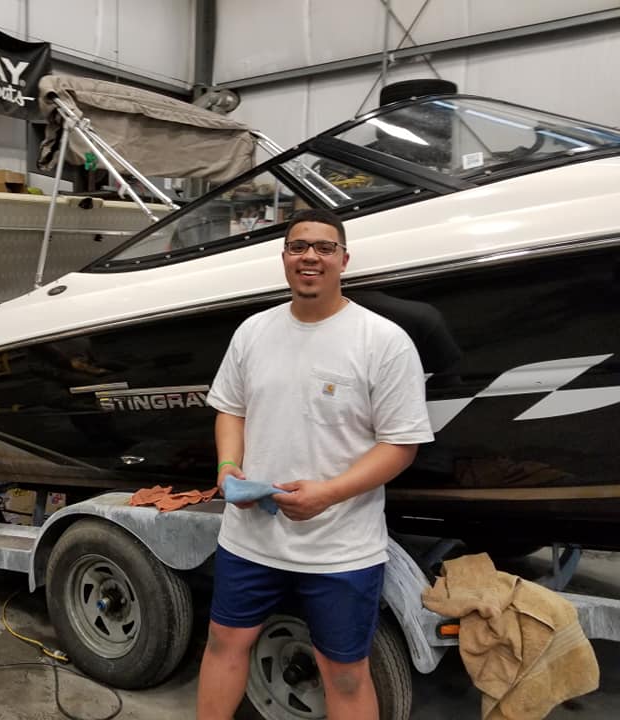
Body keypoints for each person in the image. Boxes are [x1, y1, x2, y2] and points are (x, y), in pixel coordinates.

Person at [197, 208, 433, 719]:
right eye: (298, 246)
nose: (310, 256)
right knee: (222, 644)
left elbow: (401, 444)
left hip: (341, 549)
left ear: (344, 260)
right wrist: (227, 466)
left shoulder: (382, 341)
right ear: (283, 258)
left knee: (345, 672)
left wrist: (328, 494)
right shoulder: (253, 332)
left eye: (324, 247)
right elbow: (230, 409)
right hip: (250, 538)